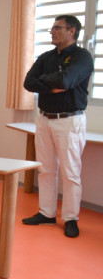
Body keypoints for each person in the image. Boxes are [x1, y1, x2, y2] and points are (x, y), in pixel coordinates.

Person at [22, 15, 93, 238]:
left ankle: (71, 218)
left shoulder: (82, 57)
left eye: (57, 28)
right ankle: (47, 213)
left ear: (72, 31)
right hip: (44, 119)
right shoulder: (46, 57)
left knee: (70, 172)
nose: (52, 31)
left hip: (69, 120)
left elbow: (68, 81)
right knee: (46, 169)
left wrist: (49, 82)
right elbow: (28, 82)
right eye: (52, 28)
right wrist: (52, 86)